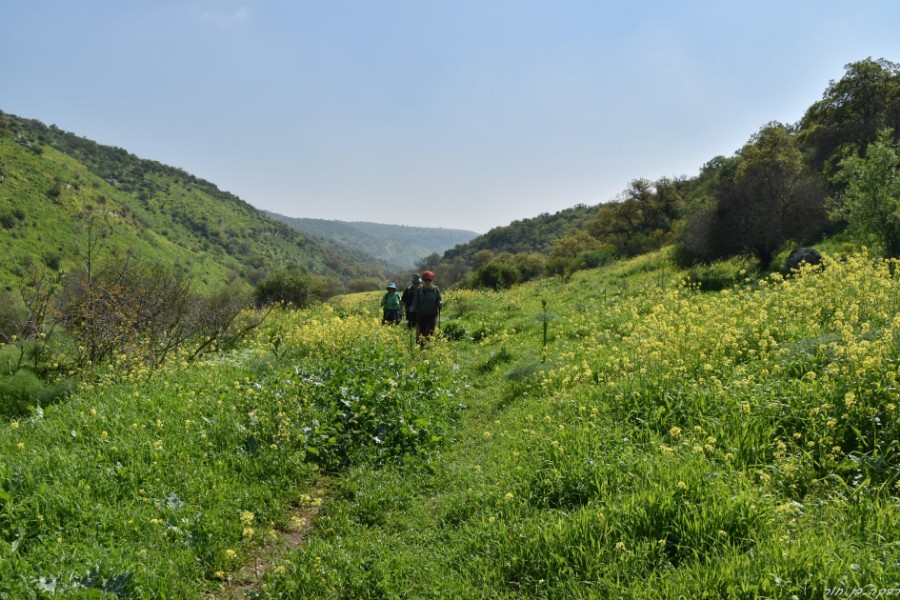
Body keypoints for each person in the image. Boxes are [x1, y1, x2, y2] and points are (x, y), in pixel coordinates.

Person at [410, 270, 443, 345]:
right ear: (422, 280)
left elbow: (439, 299)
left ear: (432, 280)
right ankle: (420, 347)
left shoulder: (435, 290)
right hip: (421, 314)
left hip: (432, 314)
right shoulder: (419, 290)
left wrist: (440, 303)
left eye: (429, 280)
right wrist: (413, 307)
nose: (427, 281)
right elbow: (415, 301)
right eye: (425, 280)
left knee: (430, 331)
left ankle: (428, 348)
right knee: (421, 332)